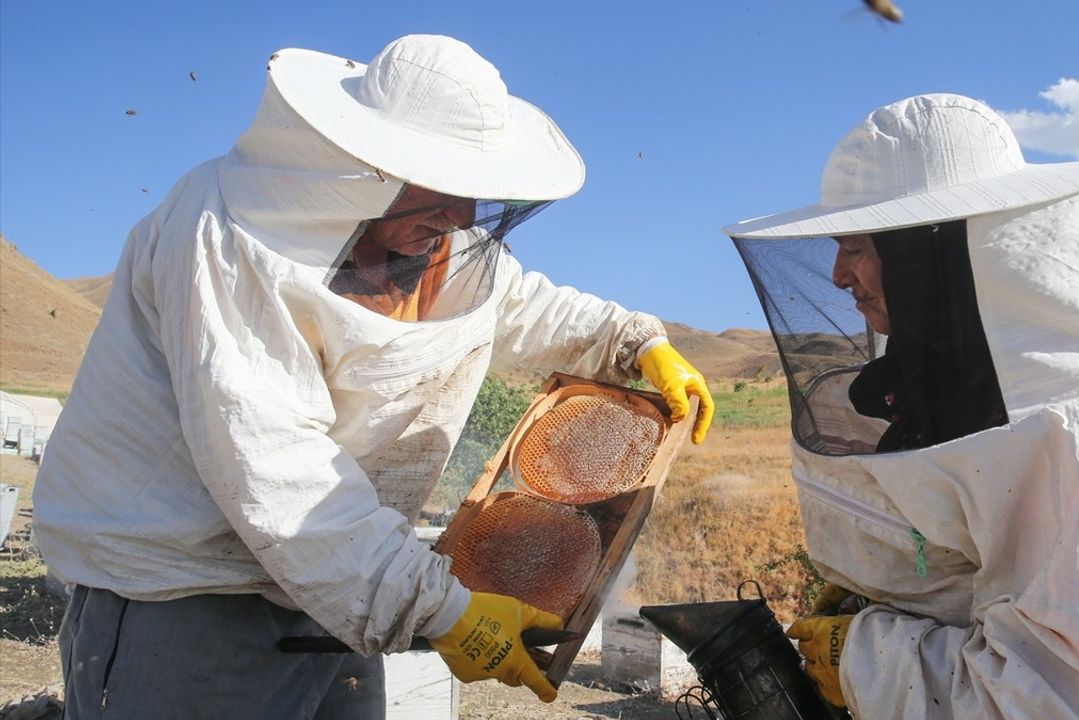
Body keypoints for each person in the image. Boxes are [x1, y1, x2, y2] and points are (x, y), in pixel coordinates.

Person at [33, 35, 714, 719]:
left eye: (473, 192)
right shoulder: (230, 235)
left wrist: (634, 343)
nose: (462, 218)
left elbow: (519, 302)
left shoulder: (431, 238)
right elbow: (278, 464)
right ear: (366, 164)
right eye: (443, 188)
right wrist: (440, 609)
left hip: (341, 581)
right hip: (189, 595)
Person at [724, 93, 1079, 718]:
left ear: (927, 256)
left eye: (856, 248)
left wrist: (864, 656)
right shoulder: (960, 375)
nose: (836, 275)